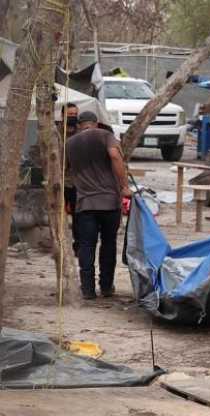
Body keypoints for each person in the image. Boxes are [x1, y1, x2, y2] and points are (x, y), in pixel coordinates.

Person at [67, 111, 131, 299]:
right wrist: (125, 186)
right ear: (95, 123)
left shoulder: (69, 143)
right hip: (110, 202)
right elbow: (115, 155)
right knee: (108, 244)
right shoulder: (106, 136)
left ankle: (87, 290)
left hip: (85, 204)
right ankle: (106, 286)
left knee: (86, 245)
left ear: (80, 125)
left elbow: (64, 169)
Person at [59, 103, 80, 255]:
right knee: (59, 215)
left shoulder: (81, 134)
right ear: (62, 116)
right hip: (60, 181)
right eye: (70, 115)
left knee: (78, 216)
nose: (72, 117)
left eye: (74, 115)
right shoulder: (56, 133)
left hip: (77, 182)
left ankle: (78, 244)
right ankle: (60, 244)